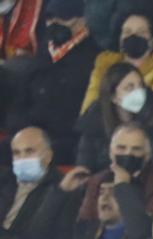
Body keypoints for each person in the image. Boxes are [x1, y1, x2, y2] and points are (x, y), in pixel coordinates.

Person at [9, 0, 101, 164]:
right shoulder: (43, 55)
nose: (54, 23)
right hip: (30, 135)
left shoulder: (93, 59)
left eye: (63, 18)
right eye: (50, 18)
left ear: (82, 20)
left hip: (64, 142)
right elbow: (21, 101)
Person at [76, 58, 153, 173]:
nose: (138, 92)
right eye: (129, 88)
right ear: (113, 97)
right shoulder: (94, 119)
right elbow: (84, 165)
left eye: (140, 86)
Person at [83, 11, 153, 114]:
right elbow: (89, 107)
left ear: (152, 41)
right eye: (127, 32)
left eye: (141, 32)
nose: (133, 36)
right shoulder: (103, 67)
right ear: (120, 39)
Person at [1, 128, 75, 239]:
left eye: (29, 151)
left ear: (48, 156)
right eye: (17, 153)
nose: (22, 158)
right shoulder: (4, 180)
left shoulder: (63, 190)